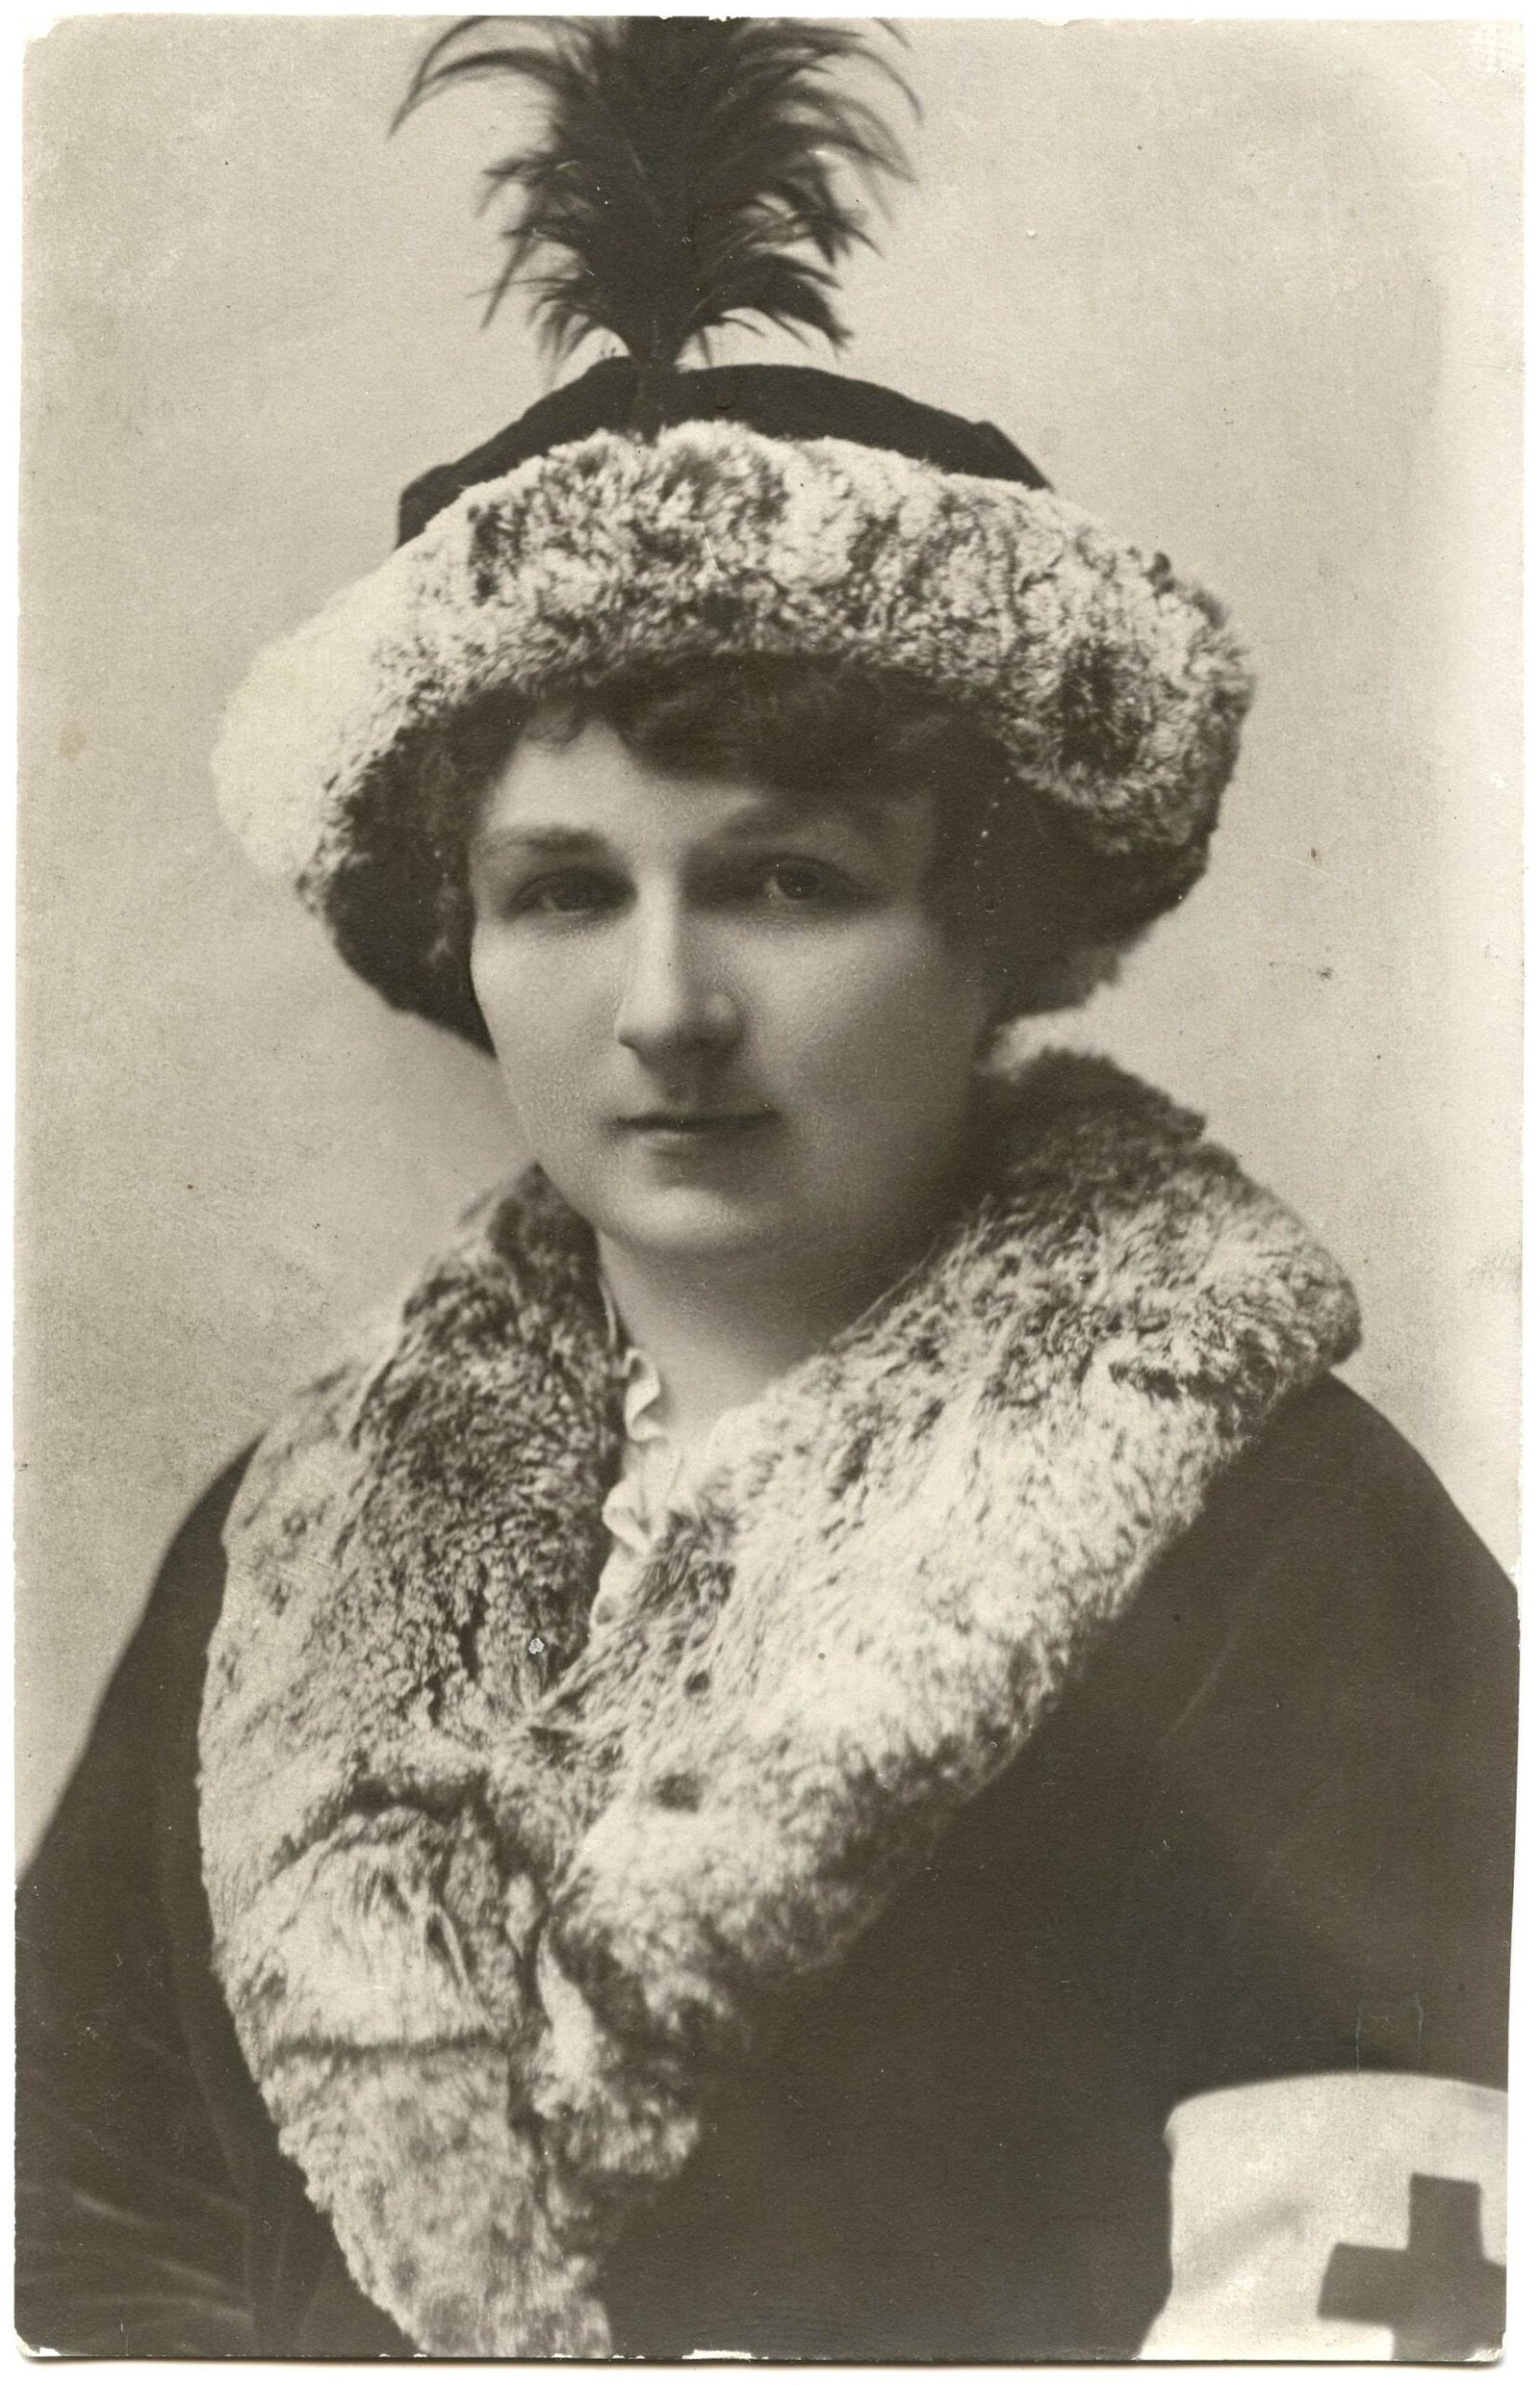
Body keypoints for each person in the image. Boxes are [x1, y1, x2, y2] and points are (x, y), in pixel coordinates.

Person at [16, 18, 1514, 2363]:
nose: (665, 1008)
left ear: (991, 933)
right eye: (559, 892)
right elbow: (75, 2261)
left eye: (789, 883)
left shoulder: (1288, 1556)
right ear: (456, 940)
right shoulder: (283, 1557)